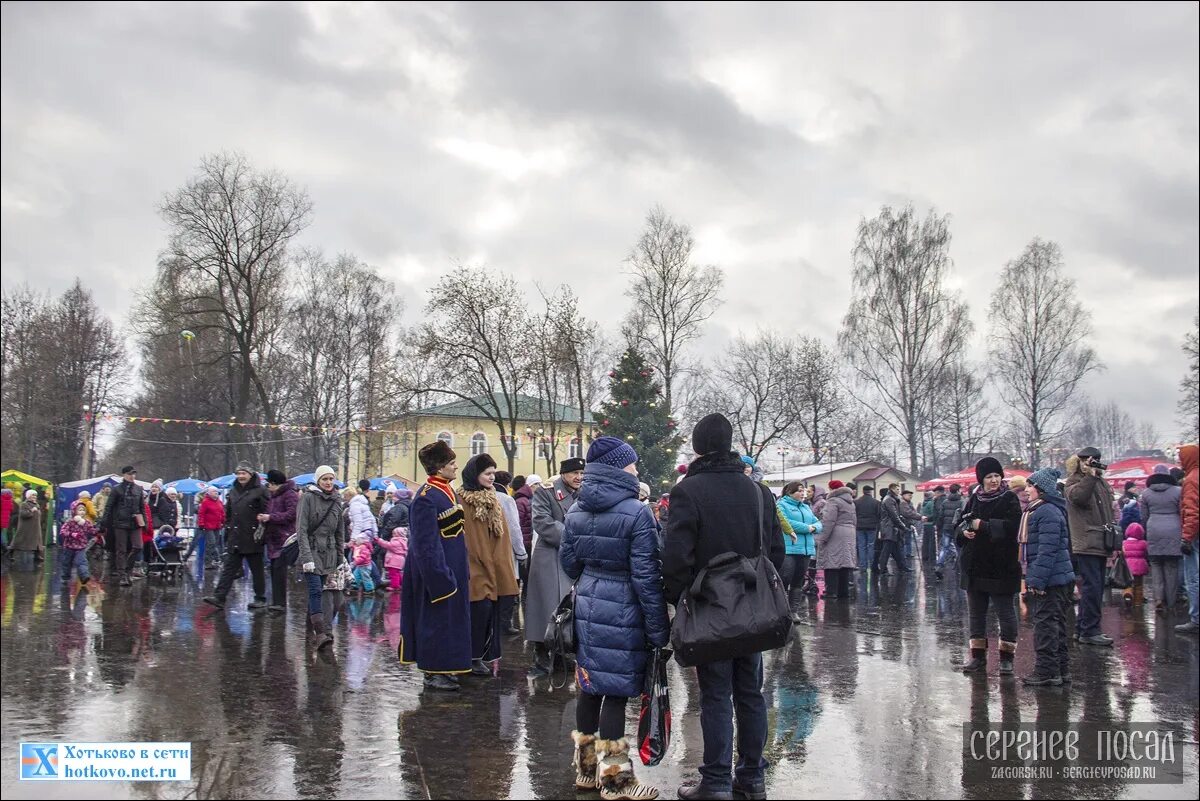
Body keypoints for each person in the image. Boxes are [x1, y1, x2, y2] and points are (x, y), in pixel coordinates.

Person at [663, 413, 784, 801]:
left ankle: (715, 781)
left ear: (698, 447)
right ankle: (752, 777)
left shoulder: (688, 490)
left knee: (716, 695)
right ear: (730, 444)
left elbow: (677, 557)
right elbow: (776, 552)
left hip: (709, 606)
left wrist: (681, 597)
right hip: (753, 607)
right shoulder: (759, 492)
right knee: (750, 692)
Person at [561, 436, 667, 801]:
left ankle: (587, 771)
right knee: (617, 693)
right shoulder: (636, 512)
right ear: (619, 468)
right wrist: (658, 629)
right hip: (625, 608)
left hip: (588, 604)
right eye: (632, 464)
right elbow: (647, 577)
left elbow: (569, 564)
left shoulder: (575, 510)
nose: (636, 469)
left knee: (590, 687)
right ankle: (617, 781)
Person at [399, 441, 472, 690]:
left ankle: (447, 666)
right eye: (451, 463)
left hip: (453, 568)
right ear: (440, 468)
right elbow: (425, 545)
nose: (456, 467)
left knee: (450, 621)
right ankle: (432, 670)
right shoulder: (425, 498)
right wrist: (439, 576)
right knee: (435, 621)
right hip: (435, 572)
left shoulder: (446, 492)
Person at [957, 458, 1023, 675]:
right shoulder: (973, 498)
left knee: (1005, 613)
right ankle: (977, 657)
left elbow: (1014, 527)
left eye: (996, 475)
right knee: (976, 614)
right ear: (981, 479)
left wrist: (984, 526)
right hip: (975, 565)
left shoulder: (1009, 498)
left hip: (1001, 565)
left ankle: (1006, 658)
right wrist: (963, 532)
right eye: (989, 477)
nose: (994, 480)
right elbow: (959, 524)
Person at [458, 453, 520, 676]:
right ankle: (471, 658)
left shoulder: (494, 499)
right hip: (473, 565)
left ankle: (478, 656)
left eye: (494, 473)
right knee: (477, 611)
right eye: (487, 473)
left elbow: (502, 535)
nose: (492, 477)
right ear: (475, 474)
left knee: (488, 612)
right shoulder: (461, 499)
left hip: (493, 564)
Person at [526, 458, 585, 677]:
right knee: (545, 608)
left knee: (568, 608)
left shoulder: (584, 493)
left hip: (573, 559)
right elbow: (542, 522)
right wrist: (573, 538)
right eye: (574, 473)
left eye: (582, 472)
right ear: (563, 474)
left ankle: (561, 656)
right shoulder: (546, 492)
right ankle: (540, 657)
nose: (579, 477)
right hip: (550, 556)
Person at [1020, 468, 1075, 687]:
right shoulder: (1049, 510)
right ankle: (1060, 670)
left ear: (1040, 489)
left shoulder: (1045, 512)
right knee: (1056, 624)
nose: (1026, 490)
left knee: (1046, 625)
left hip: (1050, 579)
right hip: (1058, 577)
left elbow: (1047, 551)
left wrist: (1036, 581)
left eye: (1030, 486)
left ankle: (1047, 671)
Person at [1065, 447, 1116, 646]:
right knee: (1092, 587)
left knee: (1096, 586)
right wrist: (1090, 476)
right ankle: (1090, 630)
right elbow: (1078, 497)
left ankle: (1083, 628)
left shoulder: (1100, 482)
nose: (1091, 465)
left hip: (1101, 540)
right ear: (1079, 462)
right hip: (1086, 542)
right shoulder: (1074, 482)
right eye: (1087, 461)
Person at [203, 462, 268, 612]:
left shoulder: (260, 491)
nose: (240, 476)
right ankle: (219, 596)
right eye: (238, 474)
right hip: (236, 535)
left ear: (250, 475)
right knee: (229, 568)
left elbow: (266, 511)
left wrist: (262, 531)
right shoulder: (233, 491)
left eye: (243, 473)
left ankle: (260, 598)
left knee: (256, 569)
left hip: (253, 536)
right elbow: (229, 512)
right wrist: (228, 528)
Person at [296, 465, 348, 650]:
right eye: (324, 479)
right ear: (318, 480)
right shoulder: (308, 498)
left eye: (331, 479)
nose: (328, 482)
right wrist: (306, 557)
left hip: (331, 554)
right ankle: (321, 633)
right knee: (316, 590)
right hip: (311, 550)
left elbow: (340, 532)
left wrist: (340, 558)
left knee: (327, 596)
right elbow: (301, 530)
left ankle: (310, 629)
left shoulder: (336, 500)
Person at [1139, 465, 1183, 615]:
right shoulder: (1178, 491)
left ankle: (1158, 600)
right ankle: (1171, 603)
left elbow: (1143, 517)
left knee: (1156, 566)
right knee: (1172, 567)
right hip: (1174, 530)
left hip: (1154, 530)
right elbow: (1182, 512)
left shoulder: (1145, 493)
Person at [493, 470, 528, 636]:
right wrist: (521, 553)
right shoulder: (506, 499)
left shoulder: (482, 495)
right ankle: (505, 624)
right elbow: (514, 528)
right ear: (507, 484)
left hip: (488, 551)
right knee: (508, 587)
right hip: (506, 550)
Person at [259, 470, 299, 613]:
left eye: (269, 483)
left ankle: (280, 603)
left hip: (285, 538)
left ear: (275, 483)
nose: (267, 486)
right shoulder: (273, 496)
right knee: (274, 569)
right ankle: (276, 601)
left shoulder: (290, 495)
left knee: (279, 570)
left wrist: (270, 517)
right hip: (274, 538)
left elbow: (291, 514)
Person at [99, 465, 145, 587]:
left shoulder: (138, 489)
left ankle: (128, 569)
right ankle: (123, 575)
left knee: (138, 546)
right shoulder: (117, 489)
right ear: (124, 475)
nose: (132, 476)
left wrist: (144, 522)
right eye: (130, 474)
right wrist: (104, 522)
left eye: (134, 474)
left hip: (135, 522)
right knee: (121, 549)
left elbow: (142, 507)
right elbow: (109, 506)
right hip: (120, 522)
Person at [776, 481, 819, 603]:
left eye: (803, 491)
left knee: (798, 581)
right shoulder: (781, 505)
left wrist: (814, 527)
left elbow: (818, 523)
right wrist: (807, 528)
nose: (802, 494)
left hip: (805, 549)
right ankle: (782, 610)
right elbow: (786, 522)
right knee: (785, 578)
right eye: (799, 491)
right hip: (789, 548)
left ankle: (794, 610)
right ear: (790, 492)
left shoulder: (806, 507)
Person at [817, 479, 857, 602]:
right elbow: (854, 520)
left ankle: (831, 591)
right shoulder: (851, 502)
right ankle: (843, 591)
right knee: (845, 563)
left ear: (832, 489)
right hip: (849, 532)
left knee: (832, 562)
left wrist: (822, 538)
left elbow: (829, 521)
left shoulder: (833, 501)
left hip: (836, 533)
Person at [1177, 444, 1198, 634]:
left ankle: (1196, 618)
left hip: (1195, 534)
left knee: (1193, 577)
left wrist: (1186, 538)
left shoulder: (1191, 480)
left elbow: (1192, 511)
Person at [876, 484, 916, 575]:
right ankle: (883, 569)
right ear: (892, 489)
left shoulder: (890, 499)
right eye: (897, 489)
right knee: (887, 550)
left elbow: (895, 515)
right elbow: (894, 515)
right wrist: (903, 527)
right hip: (889, 527)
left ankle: (902, 566)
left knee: (896, 549)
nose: (899, 491)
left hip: (891, 527)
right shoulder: (889, 500)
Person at [186, 486, 225, 565]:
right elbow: (201, 513)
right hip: (208, 526)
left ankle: (216, 559)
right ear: (209, 493)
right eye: (214, 491)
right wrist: (201, 523)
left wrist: (223, 521)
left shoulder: (219, 502)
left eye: (217, 492)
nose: (216, 493)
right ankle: (208, 562)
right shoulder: (205, 502)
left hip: (217, 526)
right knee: (211, 543)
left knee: (215, 543)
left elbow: (222, 513)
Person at [58, 507, 97, 587]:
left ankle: (84, 577)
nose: (82, 512)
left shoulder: (86, 522)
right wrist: (71, 534)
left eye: (83, 510)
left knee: (82, 562)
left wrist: (98, 530)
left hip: (81, 546)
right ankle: (65, 578)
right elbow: (62, 532)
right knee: (67, 563)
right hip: (69, 546)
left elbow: (92, 531)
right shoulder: (70, 522)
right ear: (75, 512)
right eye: (80, 510)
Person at [934, 484, 965, 580]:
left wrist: (939, 526)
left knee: (944, 548)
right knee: (959, 549)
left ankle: (939, 566)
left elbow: (941, 516)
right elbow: (964, 516)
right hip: (957, 529)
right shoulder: (961, 502)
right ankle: (960, 569)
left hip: (946, 528)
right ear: (958, 490)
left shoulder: (945, 502)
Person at [12, 489, 43, 567]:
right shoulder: (24, 504)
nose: (34, 497)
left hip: (35, 528)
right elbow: (23, 514)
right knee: (24, 542)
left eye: (35, 495)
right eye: (33, 495)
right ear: (28, 496)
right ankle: (13, 552)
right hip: (26, 528)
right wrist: (32, 511)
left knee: (36, 542)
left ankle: (37, 555)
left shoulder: (37, 505)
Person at [854, 485, 881, 572]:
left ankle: (863, 566)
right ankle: (872, 565)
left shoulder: (857, 502)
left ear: (863, 491)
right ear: (870, 492)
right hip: (872, 527)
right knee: (871, 545)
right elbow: (879, 515)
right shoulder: (876, 502)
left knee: (861, 546)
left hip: (859, 526)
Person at [1122, 522, 1148, 606]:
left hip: (1127, 569)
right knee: (1138, 585)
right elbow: (1146, 554)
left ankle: (1128, 593)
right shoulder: (1143, 544)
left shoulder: (1124, 543)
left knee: (1127, 584)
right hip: (1139, 568)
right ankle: (1138, 603)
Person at [375, 526, 409, 591]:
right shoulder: (402, 541)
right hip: (399, 560)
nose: (392, 535)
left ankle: (394, 586)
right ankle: (400, 584)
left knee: (393, 574)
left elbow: (388, 545)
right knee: (397, 573)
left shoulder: (397, 542)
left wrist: (379, 540)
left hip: (394, 560)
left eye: (394, 533)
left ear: (399, 534)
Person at [921, 490, 937, 564]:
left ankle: (925, 556)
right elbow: (933, 514)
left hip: (925, 524)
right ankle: (932, 557)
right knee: (931, 541)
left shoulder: (924, 503)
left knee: (925, 541)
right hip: (930, 524)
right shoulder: (931, 503)